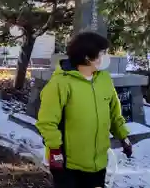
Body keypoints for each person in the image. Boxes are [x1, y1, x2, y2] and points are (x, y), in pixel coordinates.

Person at [36, 31, 133, 188]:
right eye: (103, 53)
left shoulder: (104, 79)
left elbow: (114, 113)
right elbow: (47, 122)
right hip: (68, 164)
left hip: (98, 163)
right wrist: (54, 149)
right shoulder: (60, 83)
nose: (106, 57)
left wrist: (124, 137)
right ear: (88, 57)